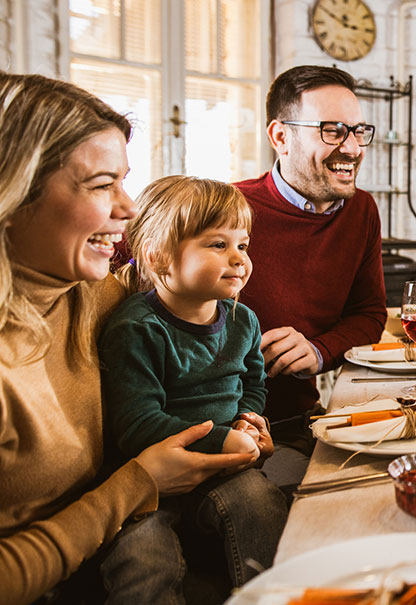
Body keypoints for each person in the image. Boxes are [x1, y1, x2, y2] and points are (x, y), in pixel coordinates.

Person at [0, 73, 257, 604]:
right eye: (101, 185)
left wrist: (247, 424)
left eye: (124, 181)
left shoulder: (87, 293)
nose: (129, 207)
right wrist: (135, 485)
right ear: (13, 193)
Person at [99, 176, 287, 599]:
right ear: (160, 256)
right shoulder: (137, 328)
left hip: (226, 469)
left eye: (243, 245)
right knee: (144, 557)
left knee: (261, 505)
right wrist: (224, 439)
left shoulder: (244, 320)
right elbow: (137, 424)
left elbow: (253, 383)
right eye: (218, 245)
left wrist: (248, 420)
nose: (239, 259)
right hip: (150, 480)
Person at [234, 65, 387, 481]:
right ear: (281, 137)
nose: (353, 148)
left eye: (358, 131)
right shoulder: (227, 209)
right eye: (333, 131)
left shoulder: (362, 210)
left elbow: (370, 313)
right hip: (228, 430)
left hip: (297, 423)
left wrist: (318, 351)